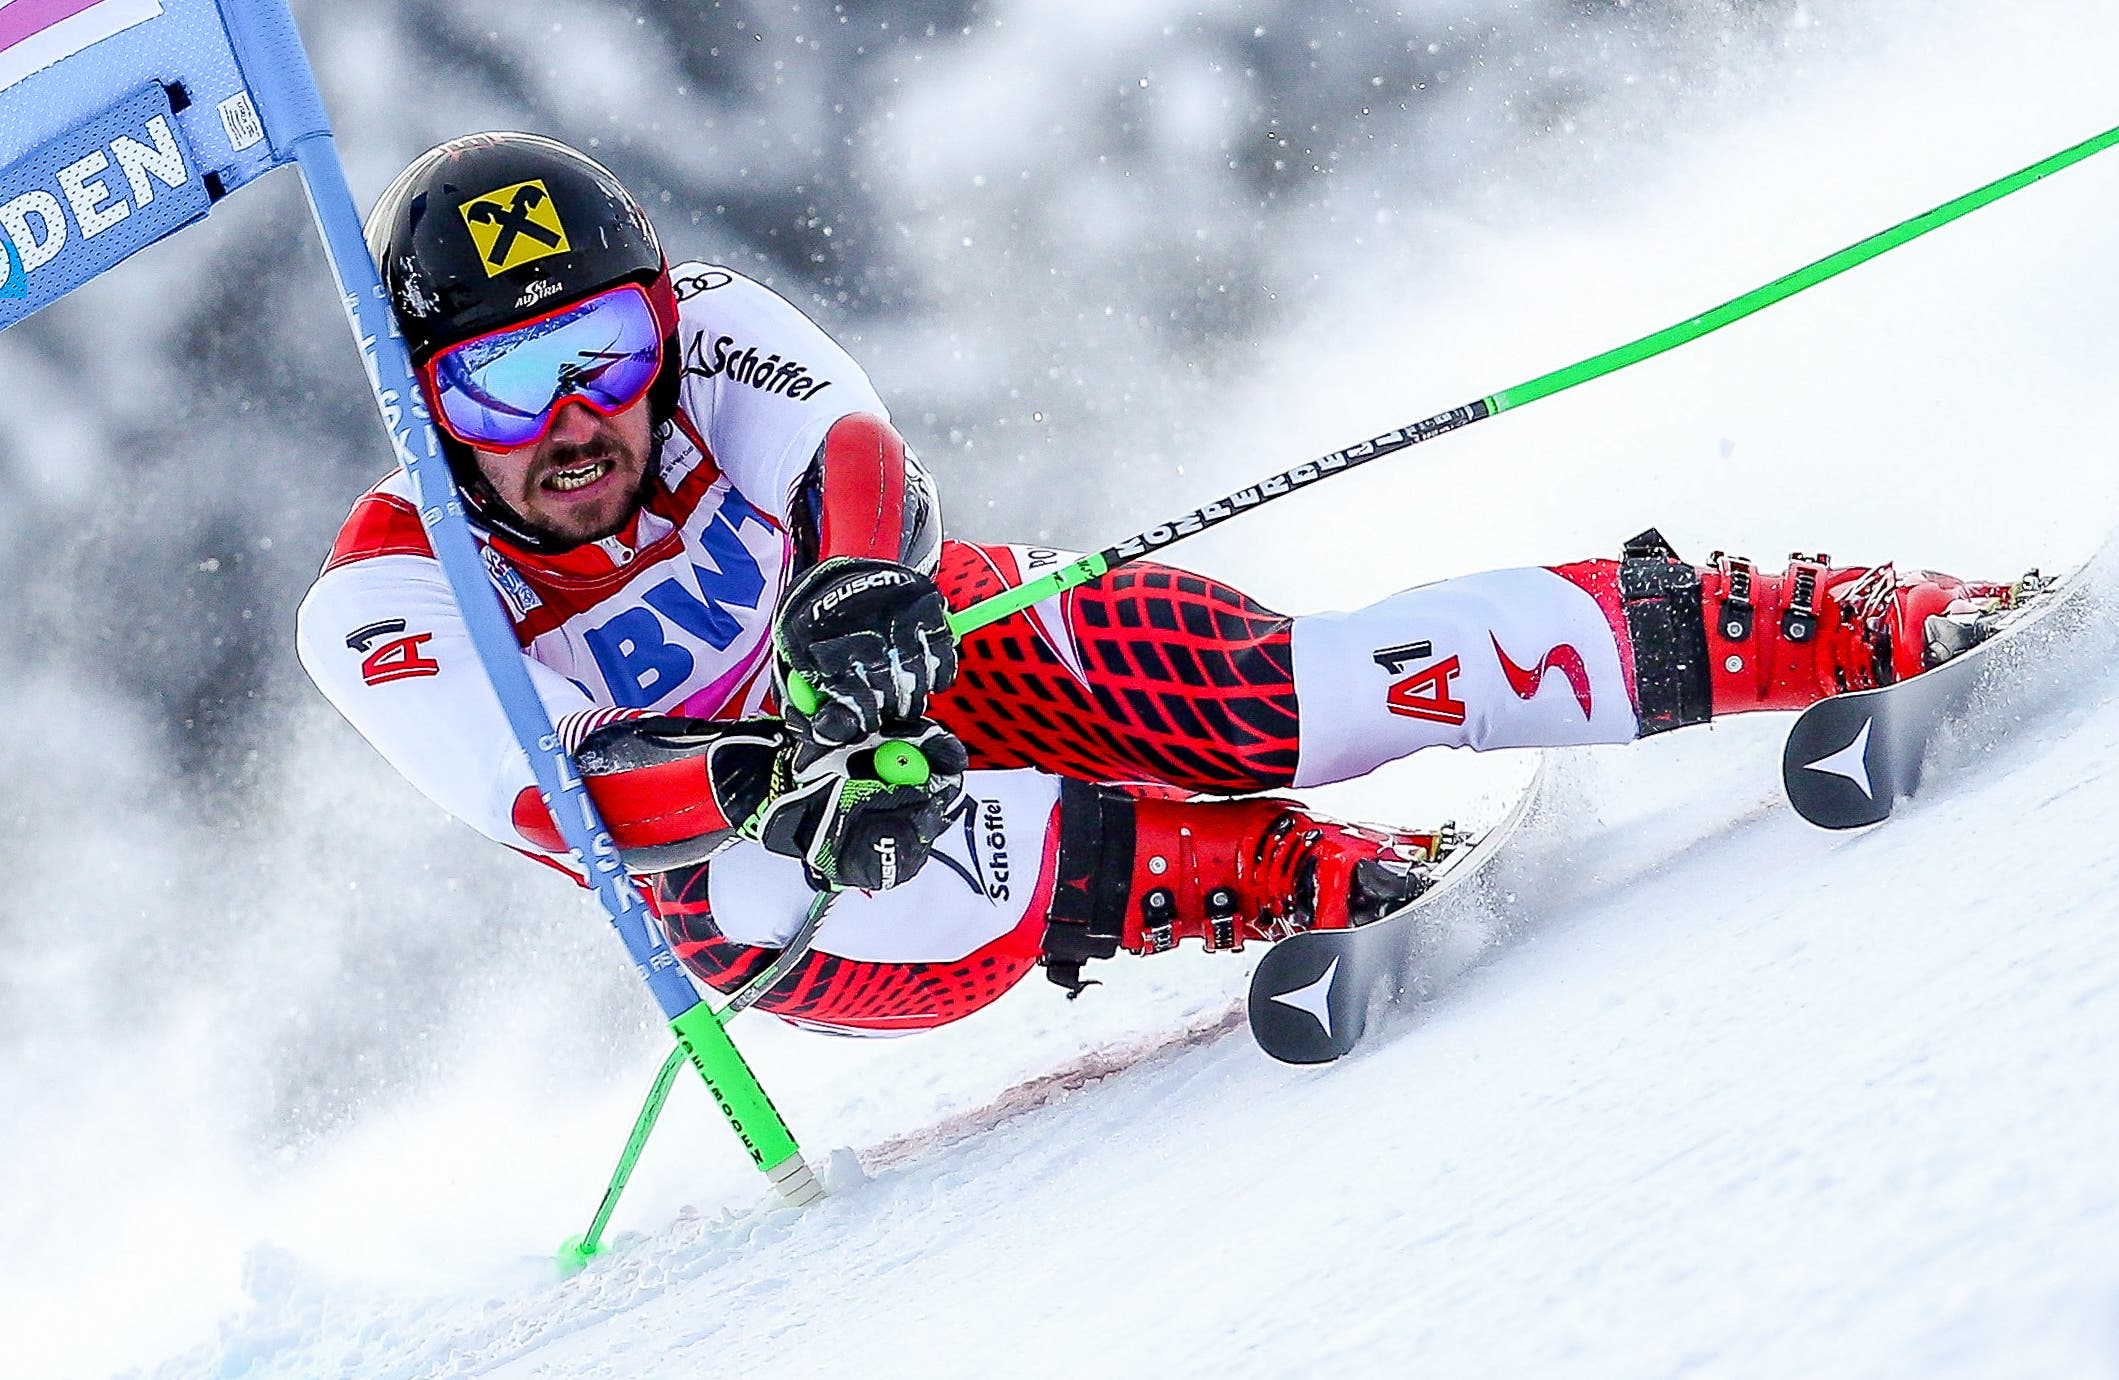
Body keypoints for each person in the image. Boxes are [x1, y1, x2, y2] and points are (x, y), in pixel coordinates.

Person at [299, 133, 2015, 1034]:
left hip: (917, 648)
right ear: (422, 405)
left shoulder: (713, 340)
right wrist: (770, 779)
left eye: (605, 349)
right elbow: (553, 799)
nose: (581, 417)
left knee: (1298, 690)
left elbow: (851, 455)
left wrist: (855, 598)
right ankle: (1301, 880)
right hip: (758, 869)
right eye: (504, 388)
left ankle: (1845, 618)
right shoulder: (384, 594)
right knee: (919, 859)